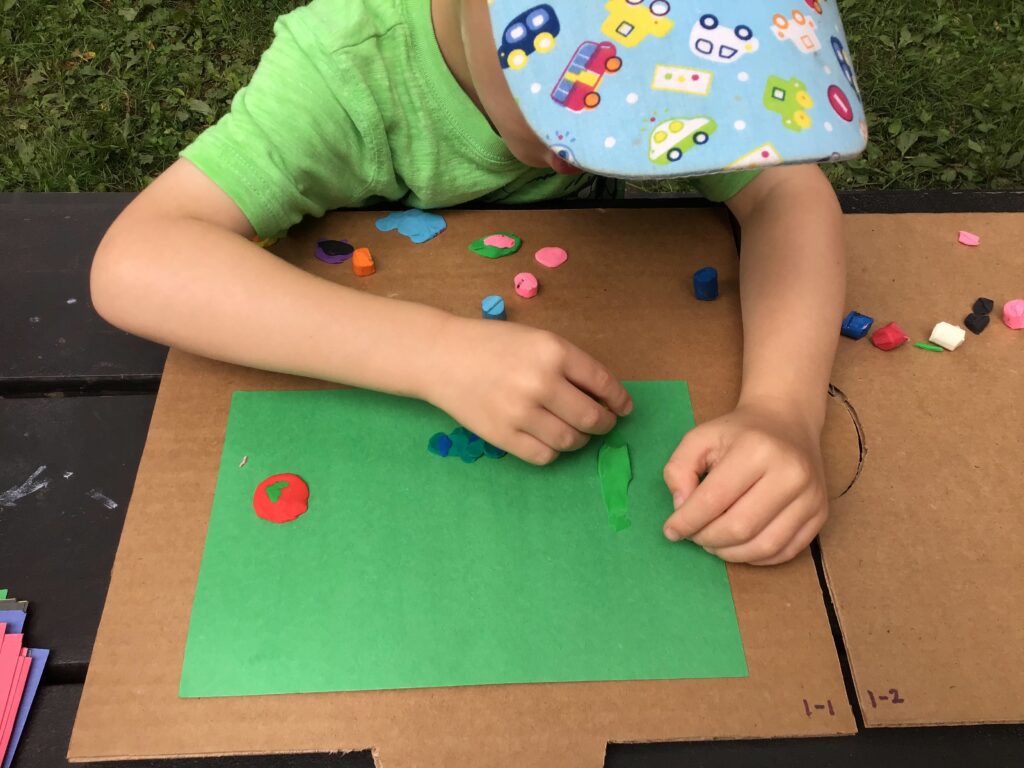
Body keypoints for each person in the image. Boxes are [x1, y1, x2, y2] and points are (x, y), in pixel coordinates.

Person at [90, 0, 867, 565]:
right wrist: (433, 353)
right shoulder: (343, 67)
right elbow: (138, 261)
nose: (622, 135)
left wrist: (784, 409)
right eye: (569, 95)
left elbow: (785, 193)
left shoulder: (705, 36)